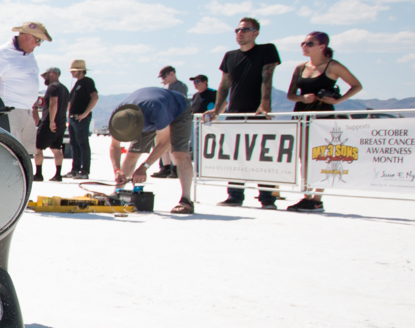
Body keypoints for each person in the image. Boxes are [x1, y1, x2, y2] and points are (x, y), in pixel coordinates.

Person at [206, 17, 283, 207]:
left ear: (255, 33)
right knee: (236, 154)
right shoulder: (230, 55)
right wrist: (217, 108)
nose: (240, 33)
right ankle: (235, 195)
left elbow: (268, 77)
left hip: (257, 111)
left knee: (263, 155)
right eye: (237, 30)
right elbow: (224, 83)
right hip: (235, 111)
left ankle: (267, 198)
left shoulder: (267, 50)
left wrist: (265, 103)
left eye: (245, 30)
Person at [285, 30, 363, 212]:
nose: (304, 47)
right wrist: (303, 98)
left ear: (322, 47)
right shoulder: (300, 68)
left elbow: (357, 85)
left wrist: (338, 100)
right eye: (303, 43)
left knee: (321, 157)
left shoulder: (333, 66)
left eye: (309, 44)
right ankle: (306, 195)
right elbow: (290, 95)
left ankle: (317, 198)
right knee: (303, 157)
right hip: (302, 115)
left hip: (323, 117)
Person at [108, 86, 198, 213]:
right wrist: (117, 170)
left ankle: (186, 200)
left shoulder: (156, 111)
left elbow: (164, 143)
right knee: (132, 154)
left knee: (179, 153)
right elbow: (114, 146)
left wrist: (144, 167)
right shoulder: (119, 117)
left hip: (178, 109)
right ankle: (117, 192)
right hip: (143, 115)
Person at [0, 22, 49, 169]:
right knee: (9, 155)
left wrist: (33, 110)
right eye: (38, 40)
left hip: (27, 112)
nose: (38, 45)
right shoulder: (4, 53)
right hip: (11, 111)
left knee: (25, 155)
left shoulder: (29, 55)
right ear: (27, 36)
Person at [150, 66, 188, 176]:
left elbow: (180, 103)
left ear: (172, 73)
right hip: (164, 118)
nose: (163, 79)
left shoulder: (180, 86)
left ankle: (175, 169)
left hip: (174, 118)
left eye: (164, 76)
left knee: (172, 145)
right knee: (162, 144)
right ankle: (165, 168)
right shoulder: (165, 87)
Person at [34, 66, 69, 180]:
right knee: (56, 148)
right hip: (61, 123)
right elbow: (68, 105)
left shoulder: (52, 87)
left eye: (46, 75)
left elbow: (54, 103)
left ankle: (39, 174)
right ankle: (58, 174)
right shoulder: (65, 88)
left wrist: (51, 121)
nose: (44, 78)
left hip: (50, 122)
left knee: (37, 147)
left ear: (52, 73)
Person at [66, 59, 98, 178]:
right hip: (73, 118)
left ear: (80, 71)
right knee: (74, 143)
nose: (72, 73)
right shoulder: (77, 84)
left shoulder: (87, 82)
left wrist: (85, 113)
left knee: (83, 143)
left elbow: (94, 97)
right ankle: (75, 169)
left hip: (81, 118)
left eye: (74, 71)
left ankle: (85, 170)